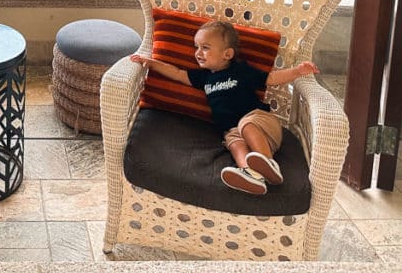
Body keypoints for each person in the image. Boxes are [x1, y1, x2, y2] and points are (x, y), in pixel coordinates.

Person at [130, 19, 318, 195]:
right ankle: (252, 175)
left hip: (261, 122)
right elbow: (177, 73)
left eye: (205, 48)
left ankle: (269, 162)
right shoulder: (204, 77)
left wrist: (297, 71)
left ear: (227, 54)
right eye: (196, 47)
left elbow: (271, 79)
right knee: (234, 143)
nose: (197, 53)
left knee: (246, 125)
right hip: (232, 130)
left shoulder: (241, 70)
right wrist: (151, 63)